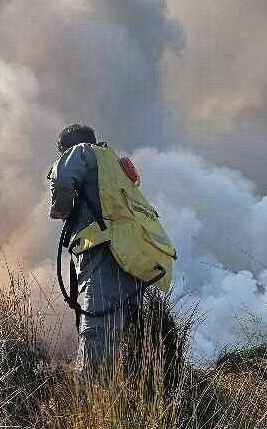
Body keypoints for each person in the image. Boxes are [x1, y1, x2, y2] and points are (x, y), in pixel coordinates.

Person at [48, 123, 175, 380]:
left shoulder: (81, 151)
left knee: (98, 327)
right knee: (124, 329)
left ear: (64, 148)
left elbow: (62, 180)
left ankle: (90, 399)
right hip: (132, 256)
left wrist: (61, 210)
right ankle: (134, 390)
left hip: (104, 250)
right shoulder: (113, 165)